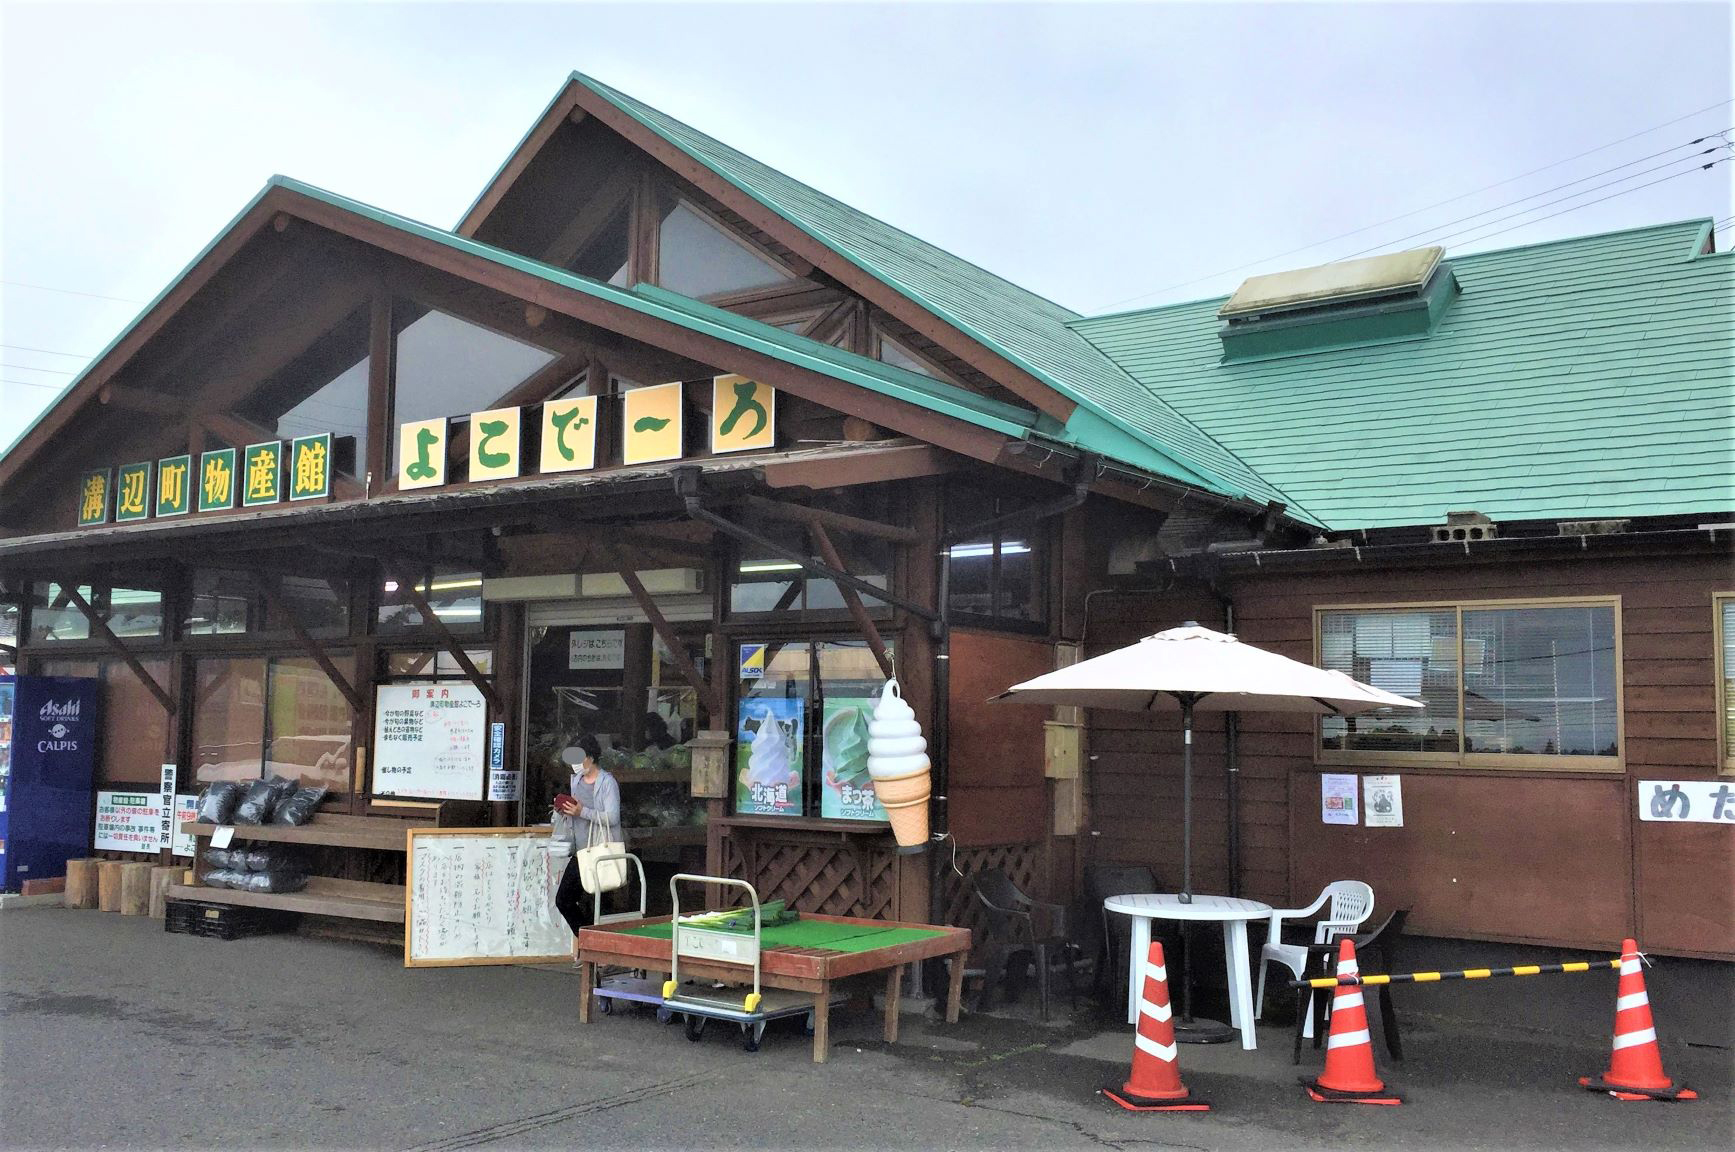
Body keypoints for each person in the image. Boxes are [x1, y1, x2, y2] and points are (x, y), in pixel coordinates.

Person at [551, 734, 623, 940]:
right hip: (581, 850)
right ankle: (590, 946)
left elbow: (613, 817)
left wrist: (582, 811)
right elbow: (576, 811)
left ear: (590, 758)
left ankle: (596, 951)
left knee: (597, 903)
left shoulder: (607, 783)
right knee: (565, 899)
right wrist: (563, 810)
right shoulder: (576, 781)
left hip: (600, 850)